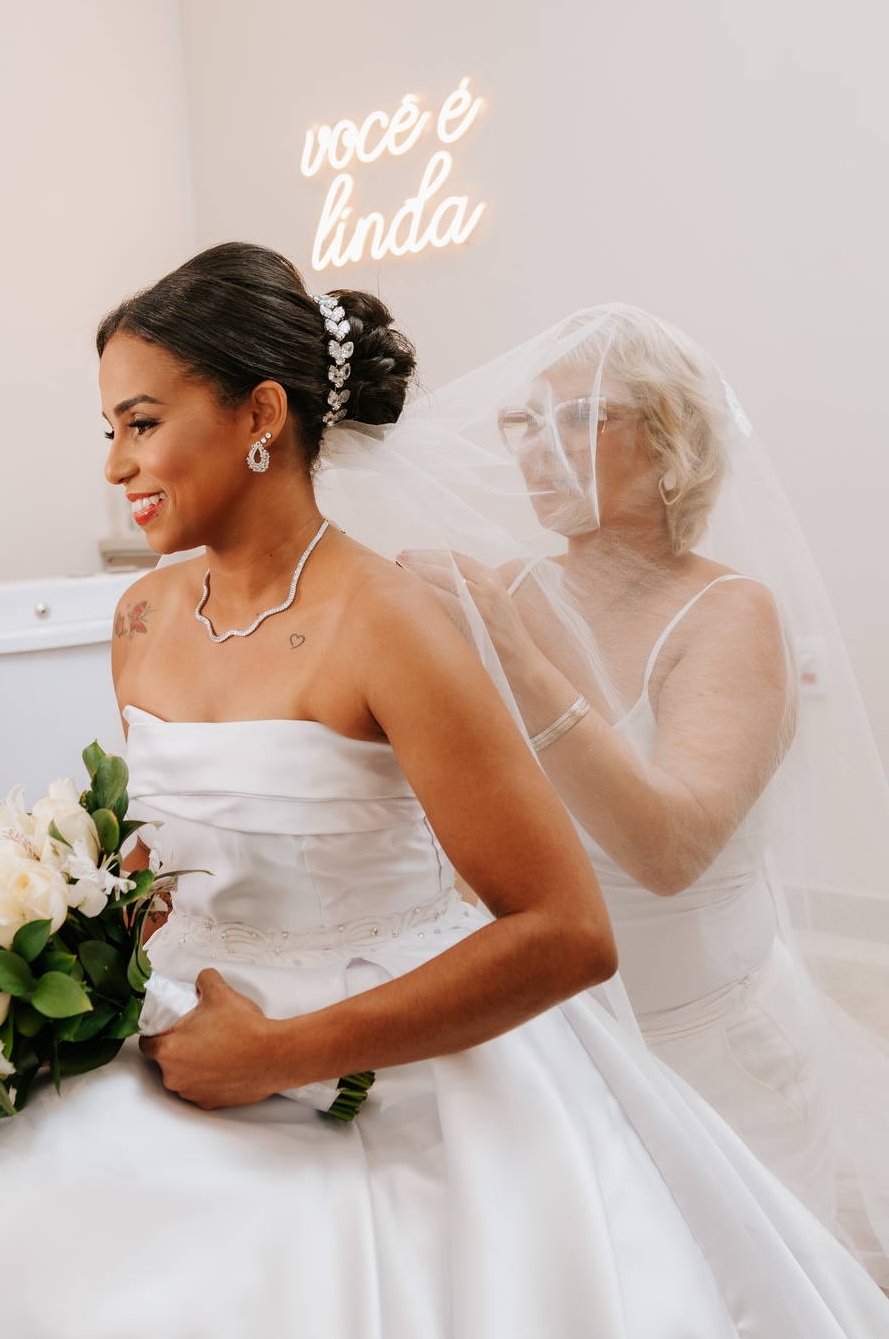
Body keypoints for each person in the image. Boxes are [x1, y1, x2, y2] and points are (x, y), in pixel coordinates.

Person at [0, 250, 888, 1339]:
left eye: (143, 423)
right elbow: (172, 851)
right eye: (108, 431)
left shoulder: (390, 621)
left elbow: (569, 930)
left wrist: (284, 1053)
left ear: (261, 416)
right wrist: (65, 934)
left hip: (363, 1048)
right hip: (172, 1021)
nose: (116, 464)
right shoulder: (144, 617)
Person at [380, 306, 889, 1282]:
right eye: (526, 422)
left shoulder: (730, 615)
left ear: (670, 446)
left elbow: (669, 849)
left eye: (579, 418)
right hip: (555, 1041)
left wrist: (517, 660)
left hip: (709, 1060)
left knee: (746, 1315)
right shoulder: (505, 591)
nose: (538, 450)